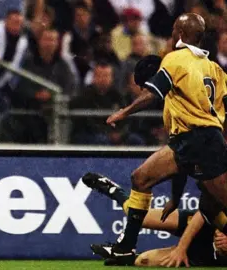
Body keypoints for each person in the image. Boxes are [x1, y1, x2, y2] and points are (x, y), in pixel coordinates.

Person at [88, 13, 227, 265]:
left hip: (203, 141)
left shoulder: (175, 59)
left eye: (174, 29)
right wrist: (175, 197)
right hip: (195, 141)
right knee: (140, 178)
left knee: (219, 205)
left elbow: (153, 92)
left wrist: (124, 111)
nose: (171, 34)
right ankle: (125, 247)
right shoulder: (215, 69)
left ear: (181, 34)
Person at [83, 172, 227, 267]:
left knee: (141, 261)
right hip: (207, 227)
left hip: (209, 255)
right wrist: (181, 249)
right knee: (142, 218)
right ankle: (114, 191)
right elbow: (204, 212)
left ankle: (124, 256)